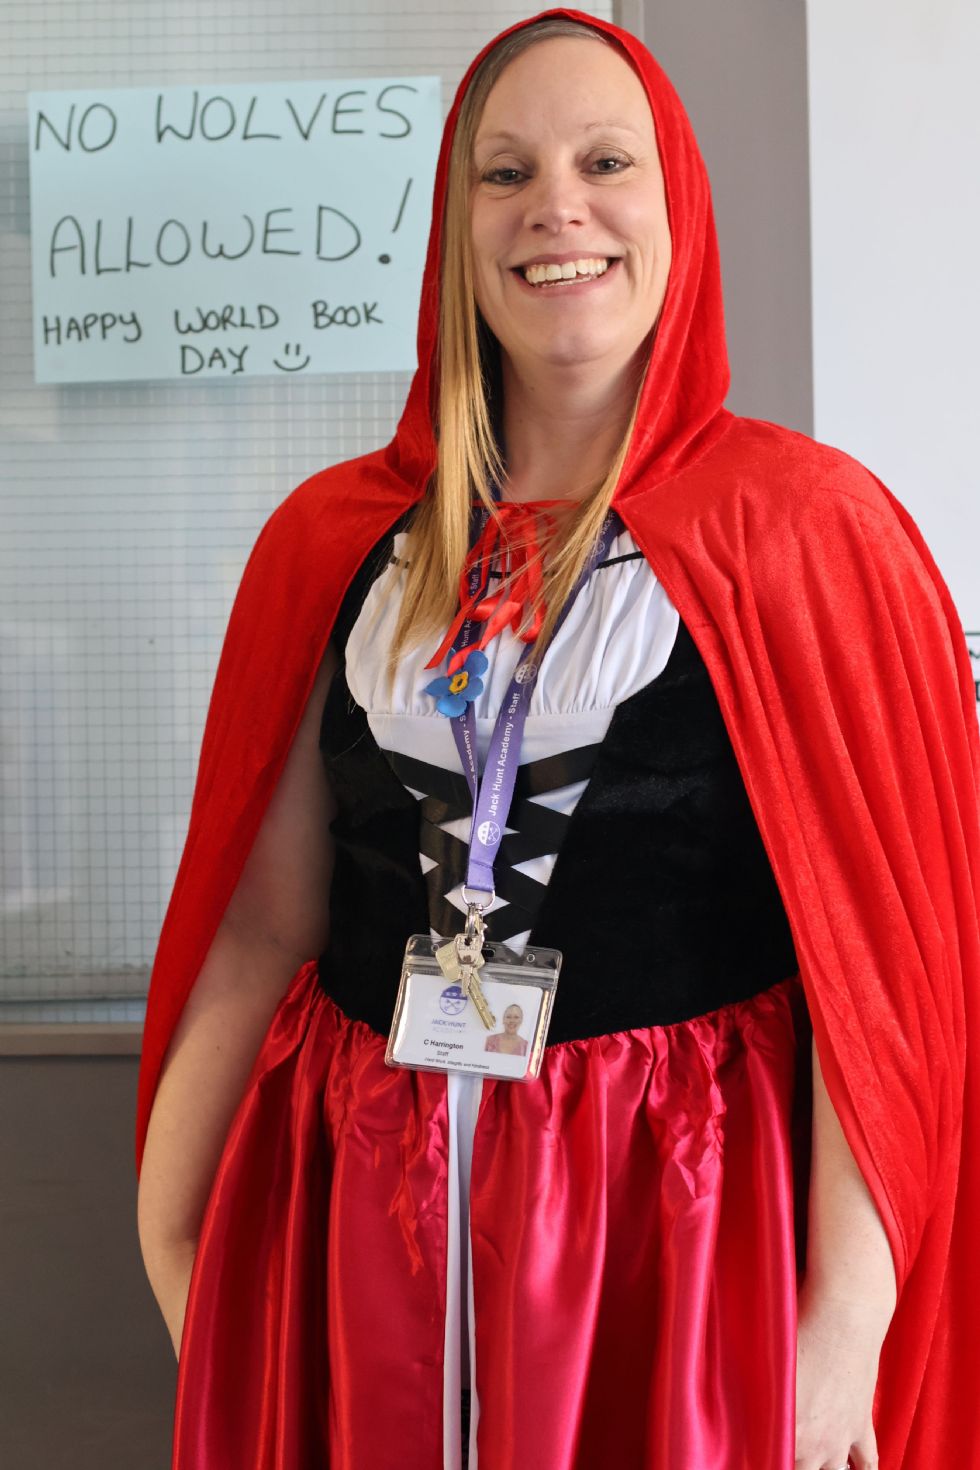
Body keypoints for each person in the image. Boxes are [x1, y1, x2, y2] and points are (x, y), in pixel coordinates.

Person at [135, 10, 980, 1470]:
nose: (556, 209)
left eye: (605, 162)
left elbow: (882, 977)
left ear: (678, 205)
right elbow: (266, 918)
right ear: (455, 231)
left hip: (680, 1216)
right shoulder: (333, 543)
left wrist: (849, 1316)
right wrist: (172, 1220)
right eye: (507, 172)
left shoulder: (810, 534)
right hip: (368, 1205)